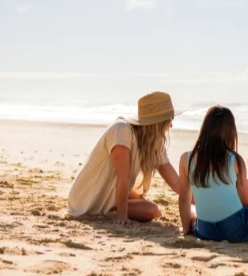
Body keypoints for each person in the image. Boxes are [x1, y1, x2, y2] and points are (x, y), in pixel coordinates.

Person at [178, 106, 248, 242]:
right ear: (230, 131)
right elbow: (245, 202)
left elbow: (184, 199)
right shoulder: (235, 159)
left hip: (205, 231)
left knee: (193, 208)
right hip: (235, 230)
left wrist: (186, 230)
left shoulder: (186, 158)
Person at [68, 91, 184, 224]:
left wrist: (205, 203)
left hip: (110, 189)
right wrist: (122, 217)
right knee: (152, 210)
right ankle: (104, 214)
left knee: (143, 201)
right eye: (169, 120)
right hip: (88, 198)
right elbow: (122, 177)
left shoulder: (154, 144)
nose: (171, 125)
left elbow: (177, 183)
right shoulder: (121, 130)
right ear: (158, 122)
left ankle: (110, 210)